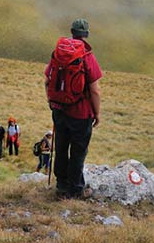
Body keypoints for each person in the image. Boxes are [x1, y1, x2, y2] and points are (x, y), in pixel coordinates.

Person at [45, 18, 103, 199]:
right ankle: (76, 189)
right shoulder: (86, 56)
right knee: (78, 151)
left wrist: (52, 101)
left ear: (71, 31)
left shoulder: (58, 53)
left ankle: (61, 185)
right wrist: (97, 113)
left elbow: (47, 80)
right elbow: (95, 90)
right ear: (86, 34)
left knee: (61, 147)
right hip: (80, 113)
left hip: (59, 110)